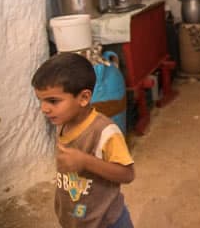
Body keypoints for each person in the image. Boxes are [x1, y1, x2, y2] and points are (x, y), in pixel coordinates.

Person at [32, 52, 135, 228]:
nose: (44, 109)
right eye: (40, 101)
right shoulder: (62, 123)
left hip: (107, 221)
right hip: (77, 219)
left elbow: (127, 174)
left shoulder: (104, 132)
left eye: (53, 101)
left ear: (84, 98)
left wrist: (86, 162)